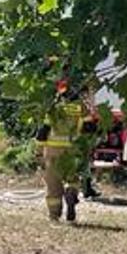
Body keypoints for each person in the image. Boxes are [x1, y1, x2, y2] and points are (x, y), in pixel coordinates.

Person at [36, 82, 91, 223]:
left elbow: (43, 131)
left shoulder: (54, 107)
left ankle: (54, 216)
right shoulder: (80, 107)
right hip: (72, 149)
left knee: (53, 184)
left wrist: (39, 152)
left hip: (52, 150)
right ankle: (71, 192)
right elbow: (89, 127)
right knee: (72, 178)